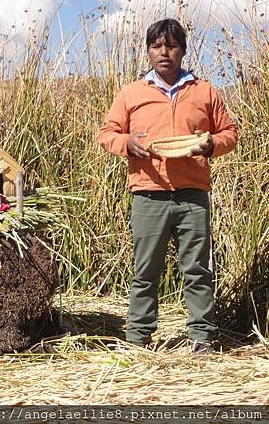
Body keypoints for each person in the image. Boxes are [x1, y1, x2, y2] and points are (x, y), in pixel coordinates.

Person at [98, 19, 237, 353]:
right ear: (148, 51)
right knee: (145, 270)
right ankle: (139, 338)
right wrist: (127, 142)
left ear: (183, 51)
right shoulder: (132, 93)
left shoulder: (204, 91)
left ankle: (201, 337)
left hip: (193, 194)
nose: (164, 52)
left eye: (171, 46)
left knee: (198, 269)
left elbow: (229, 133)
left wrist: (211, 145)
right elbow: (107, 134)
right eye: (157, 46)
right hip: (148, 193)